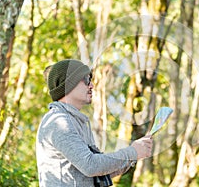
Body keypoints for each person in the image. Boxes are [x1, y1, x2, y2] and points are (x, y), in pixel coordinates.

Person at [36, 59, 153, 187]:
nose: (91, 85)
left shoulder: (77, 122)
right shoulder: (58, 122)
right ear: (69, 84)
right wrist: (132, 152)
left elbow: (99, 173)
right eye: (86, 80)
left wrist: (134, 155)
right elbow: (91, 166)